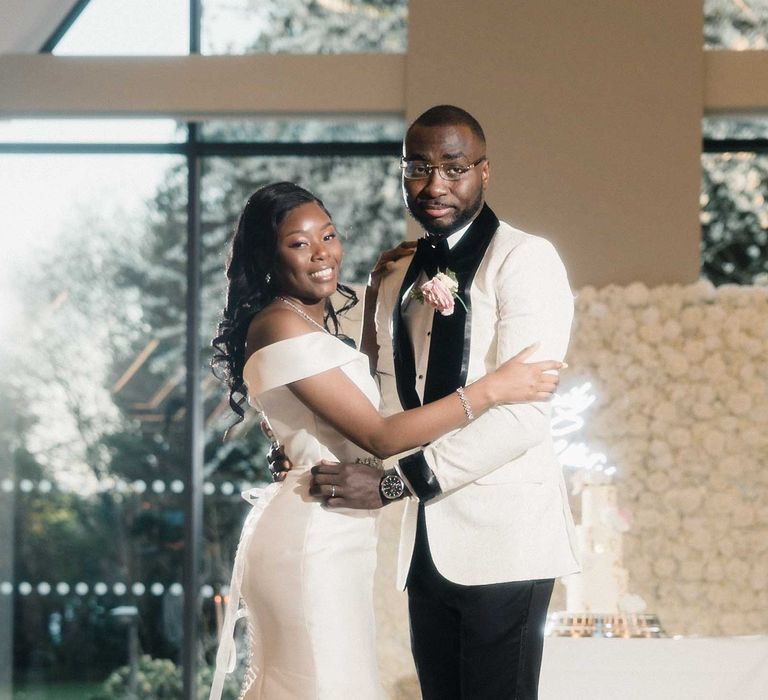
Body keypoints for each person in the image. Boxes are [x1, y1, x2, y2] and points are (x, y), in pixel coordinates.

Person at [208, 181, 564, 700]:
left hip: (335, 528)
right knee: (322, 683)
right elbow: (378, 435)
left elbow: (366, 394)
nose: (323, 253)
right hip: (312, 532)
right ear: (267, 254)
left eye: (328, 235)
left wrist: (379, 296)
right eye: (299, 243)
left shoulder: (302, 321)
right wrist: (490, 390)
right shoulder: (280, 326)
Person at [309, 105, 580, 699]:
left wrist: (394, 484)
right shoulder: (400, 270)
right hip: (427, 548)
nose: (435, 186)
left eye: (454, 169)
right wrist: (325, 456)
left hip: (506, 540)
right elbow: (385, 396)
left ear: (484, 172)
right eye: (419, 168)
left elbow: (523, 415)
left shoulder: (525, 260)